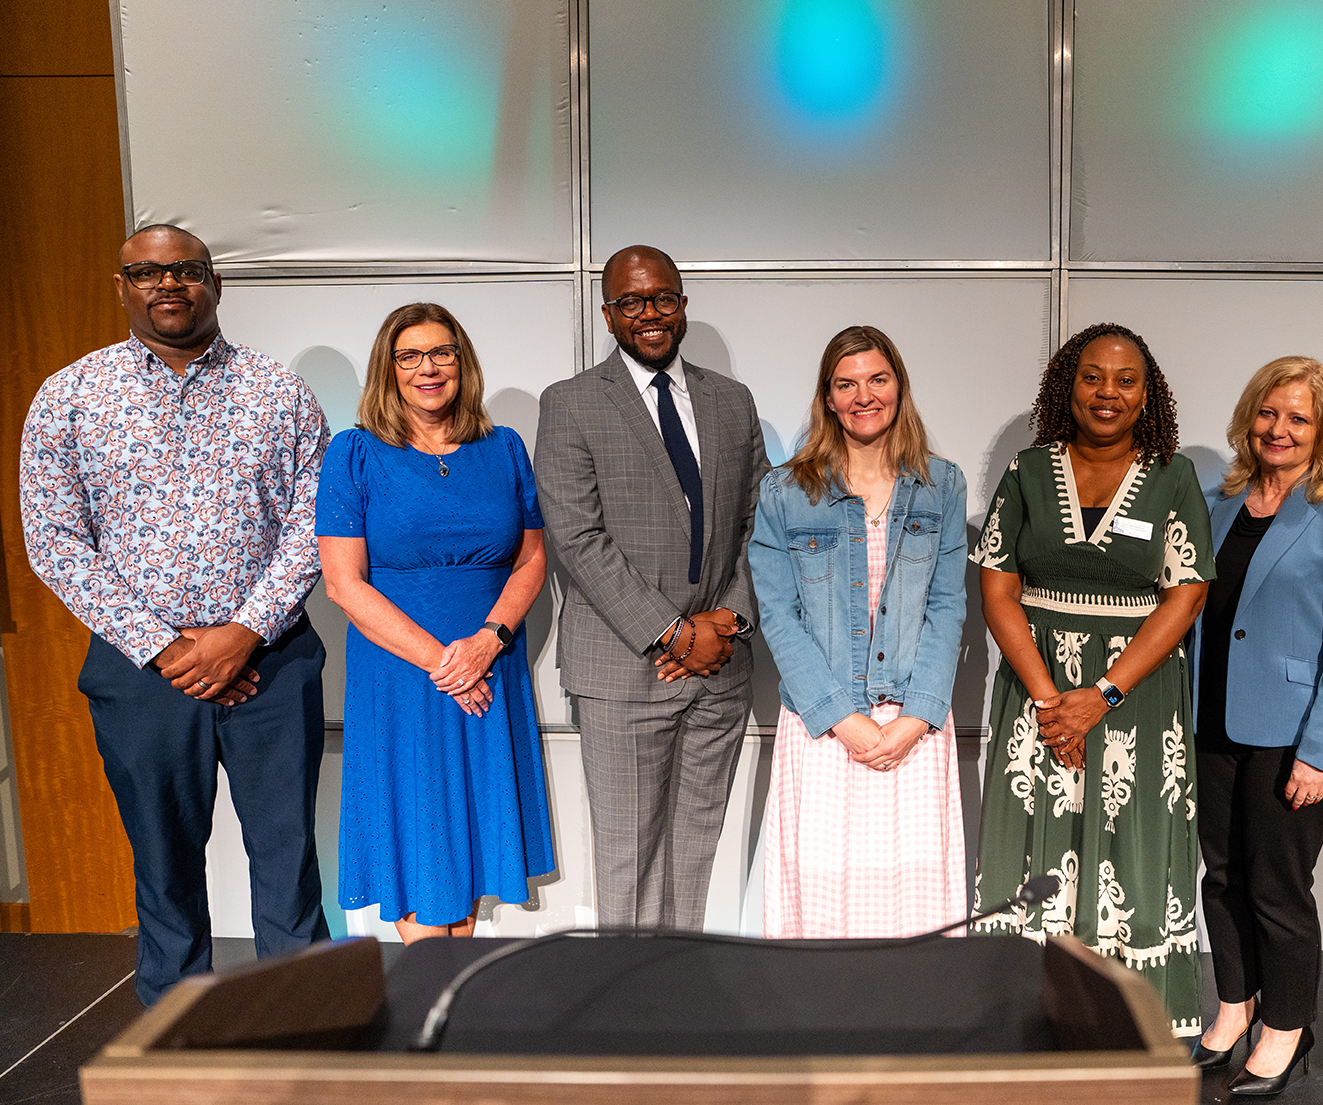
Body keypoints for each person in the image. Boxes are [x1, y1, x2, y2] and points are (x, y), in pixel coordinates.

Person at [20, 224, 332, 1004]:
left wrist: (243, 634)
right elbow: (54, 542)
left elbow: (316, 522)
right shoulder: (69, 396)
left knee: (287, 856)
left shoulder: (279, 392)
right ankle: (176, 1037)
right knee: (163, 864)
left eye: (186, 270)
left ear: (215, 282)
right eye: (147, 272)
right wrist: (167, 649)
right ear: (120, 286)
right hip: (140, 675)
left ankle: (305, 1025)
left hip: (271, 664)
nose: (169, 285)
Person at [970, 322, 1213, 1036]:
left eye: (1125, 379)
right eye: (1092, 376)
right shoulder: (1025, 470)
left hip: (1134, 698)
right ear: (1066, 386)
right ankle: (1028, 1007)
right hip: (1036, 692)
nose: (1107, 393)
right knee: (1030, 835)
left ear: (1148, 394)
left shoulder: (1173, 476)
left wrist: (1101, 694)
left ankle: (1130, 1013)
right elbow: (996, 586)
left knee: (1128, 841)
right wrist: (1052, 701)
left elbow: (1187, 591)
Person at [535, 245, 768, 930]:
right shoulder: (571, 403)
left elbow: (764, 521)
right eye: (630, 302)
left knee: (695, 857)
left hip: (720, 667)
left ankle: (678, 1001)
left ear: (683, 304)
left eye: (662, 297)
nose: (649, 313)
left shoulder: (731, 401)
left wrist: (725, 621)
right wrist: (673, 632)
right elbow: (577, 538)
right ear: (607, 313)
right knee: (627, 857)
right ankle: (626, 1012)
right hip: (622, 669)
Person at [317, 302, 554, 943]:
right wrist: (444, 662)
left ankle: (449, 1020)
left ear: (462, 362)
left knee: (468, 846)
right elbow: (343, 584)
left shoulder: (504, 447)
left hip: (488, 664)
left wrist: (487, 641)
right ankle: (430, 1018)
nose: (428, 368)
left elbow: (532, 559)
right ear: (388, 370)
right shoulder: (354, 453)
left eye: (442, 353)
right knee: (421, 846)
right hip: (402, 674)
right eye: (410, 356)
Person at [1189, 357, 1323, 1095]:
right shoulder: (1217, 502)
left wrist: (1319, 751)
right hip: (1213, 722)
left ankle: (1286, 1027)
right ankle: (1235, 1010)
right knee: (1224, 875)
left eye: (1298, 418)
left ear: (1322, 428)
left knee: (1276, 884)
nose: (1278, 429)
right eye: (1269, 413)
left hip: (1294, 733)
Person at [750, 325, 968, 937]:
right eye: (846, 384)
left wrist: (914, 719)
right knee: (820, 906)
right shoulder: (785, 492)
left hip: (913, 727)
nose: (862, 395)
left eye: (877, 379)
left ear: (899, 387)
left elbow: (948, 607)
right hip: (823, 727)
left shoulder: (941, 485)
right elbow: (779, 614)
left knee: (915, 905)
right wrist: (843, 719)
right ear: (827, 396)